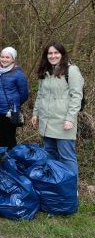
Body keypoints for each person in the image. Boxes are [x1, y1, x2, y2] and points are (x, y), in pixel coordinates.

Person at [31, 42, 84, 177]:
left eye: (56, 53)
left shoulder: (71, 70)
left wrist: (70, 118)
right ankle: (55, 184)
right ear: (46, 55)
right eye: (50, 53)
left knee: (66, 157)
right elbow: (40, 94)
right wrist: (35, 113)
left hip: (63, 122)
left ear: (62, 54)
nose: (53, 56)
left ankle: (71, 187)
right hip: (46, 121)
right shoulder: (45, 71)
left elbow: (76, 96)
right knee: (49, 154)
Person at [0, 47, 29, 149]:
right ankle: (3, 160)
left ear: (13, 59)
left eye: (7, 57)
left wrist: (15, 104)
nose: (4, 59)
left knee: (10, 138)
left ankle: (12, 160)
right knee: (1, 137)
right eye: (2, 57)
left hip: (11, 111)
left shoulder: (19, 74)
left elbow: (24, 94)